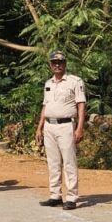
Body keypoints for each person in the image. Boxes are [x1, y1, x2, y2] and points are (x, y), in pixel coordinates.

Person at [35, 50, 86, 210]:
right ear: (50, 65)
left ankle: (71, 197)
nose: (57, 65)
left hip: (66, 126)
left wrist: (80, 127)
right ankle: (55, 195)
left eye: (60, 62)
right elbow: (45, 106)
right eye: (54, 63)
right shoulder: (48, 83)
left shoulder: (75, 81)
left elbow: (81, 105)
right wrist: (39, 127)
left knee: (69, 162)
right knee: (53, 162)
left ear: (65, 64)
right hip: (49, 126)